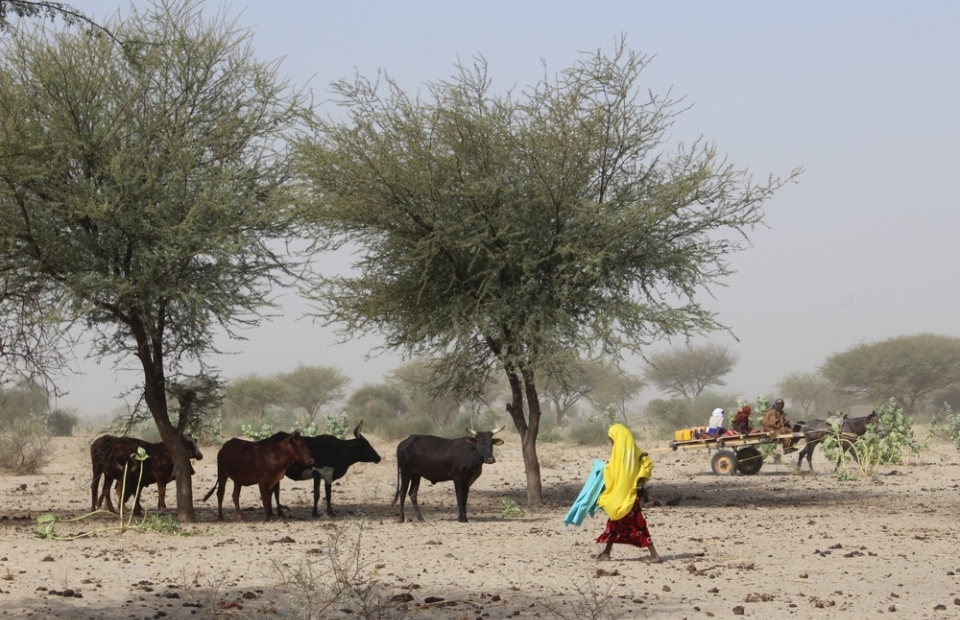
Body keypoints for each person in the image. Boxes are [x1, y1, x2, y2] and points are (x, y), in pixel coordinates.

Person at [596, 424, 660, 563]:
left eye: (612, 439)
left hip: (628, 495)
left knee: (637, 524)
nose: (611, 442)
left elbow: (613, 471)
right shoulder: (634, 451)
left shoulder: (621, 454)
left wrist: (604, 470)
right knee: (615, 522)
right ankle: (606, 553)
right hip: (629, 494)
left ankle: (654, 555)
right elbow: (644, 460)